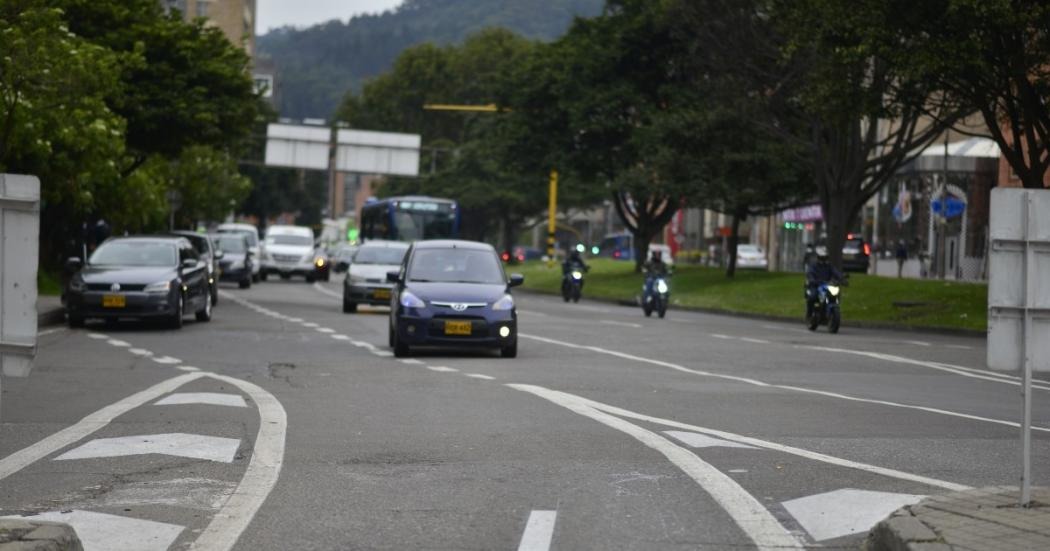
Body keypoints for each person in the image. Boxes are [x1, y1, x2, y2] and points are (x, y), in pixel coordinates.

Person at [805, 250, 843, 319]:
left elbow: (835, 272)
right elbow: (810, 274)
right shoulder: (814, 266)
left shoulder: (829, 266)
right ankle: (809, 313)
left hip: (827, 285)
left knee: (835, 294)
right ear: (818, 258)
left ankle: (830, 311)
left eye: (825, 258)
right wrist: (812, 280)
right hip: (816, 286)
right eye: (822, 258)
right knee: (813, 297)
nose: (824, 260)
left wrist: (842, 278)